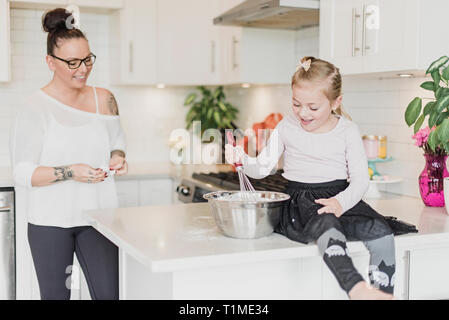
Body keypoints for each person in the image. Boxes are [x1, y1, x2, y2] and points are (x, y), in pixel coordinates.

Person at [225, 56, 416, 300]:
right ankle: (356, 289)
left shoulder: (347, 130)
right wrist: (241, 158)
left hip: (342, 198)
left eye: (313, 107)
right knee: (327, 226)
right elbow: (261, 168)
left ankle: (382, 295)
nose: (303, 113)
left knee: (380, 230)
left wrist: (341, 203)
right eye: (296, 104)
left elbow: (360, 181)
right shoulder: (286, 127)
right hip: (301, 202)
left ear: (336, 102)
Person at [9, 8, 128, 300]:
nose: (83, 69)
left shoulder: (105, 99)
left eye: (88, 60)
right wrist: (71, 171)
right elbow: (22, 172)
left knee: (110, 295)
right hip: (50, 225)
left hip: (100, 221)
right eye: (72, 62)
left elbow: (117, 141)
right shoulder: (35, 107)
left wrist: (118, 157)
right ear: (50, 62)